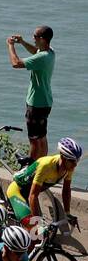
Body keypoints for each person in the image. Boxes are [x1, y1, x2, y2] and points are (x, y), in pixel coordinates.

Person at [7, 25, 55, 160]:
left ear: (43, 39)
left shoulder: (42, 58)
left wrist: (11, 46)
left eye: (35, 36)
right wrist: (22, 42)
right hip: (46, 102)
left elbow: (15, 63)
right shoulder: (50, 52)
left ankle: (30, 169)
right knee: (42, 136)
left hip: (36, 103)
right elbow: (36, 51)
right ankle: (42, 164)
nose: (33, 38)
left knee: (34, 139)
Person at [6, 136, 80, 222]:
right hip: (17, 190)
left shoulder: (69, 168)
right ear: (63, 158)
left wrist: (67, 213)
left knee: (39, 230)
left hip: (30, 191)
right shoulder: (46, 166)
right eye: (72, 161)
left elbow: (66, 190)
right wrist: (38, 223)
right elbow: (33, 196)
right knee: (32, 227)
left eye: (77, 161)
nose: (75, 165)